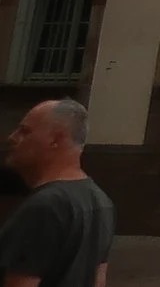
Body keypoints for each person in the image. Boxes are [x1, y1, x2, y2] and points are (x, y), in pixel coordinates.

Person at [0, 99, 111, 287]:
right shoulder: (101, 200)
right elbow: (98, 279)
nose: (11, 137)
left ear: (55, 140)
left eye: (25, 131)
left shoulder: (44, 206)